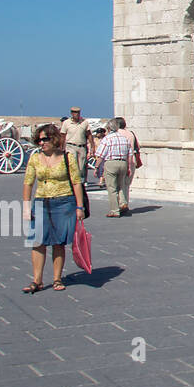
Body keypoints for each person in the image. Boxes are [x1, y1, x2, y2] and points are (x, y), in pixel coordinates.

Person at [21, 122, 86, 293]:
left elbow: (76, 182)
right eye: (39, 140)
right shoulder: (35, 158)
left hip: (64, 203)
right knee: (37, 242)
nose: (41, 143)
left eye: (45, 139)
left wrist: (80, 207)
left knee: (58, 242)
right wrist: (26, 207)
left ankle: (57, 279)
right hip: (41, 203)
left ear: (54, 139)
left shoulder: (67, 157)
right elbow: (28, 183)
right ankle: (37, 281)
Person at [94, 119, 132, 217]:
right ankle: (123, 203)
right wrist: (129, 167)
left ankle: (114, 210)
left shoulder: (107, 139)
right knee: (121, 185)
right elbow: (130, 153)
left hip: (111, 163)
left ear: (109, 128)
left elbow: (101, 154)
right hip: (123, 162)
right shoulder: (124, 138)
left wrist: (97, 166)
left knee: (112, 187)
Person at [61, 108, 95, 188]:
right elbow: (62, 135)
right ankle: (72, 184)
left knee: (82, 167)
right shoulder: (66, 123)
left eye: (78, 112)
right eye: (74, 112)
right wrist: (61, 147)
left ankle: (81, 183)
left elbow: (89, 135)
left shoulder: (84, 122)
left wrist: (92, 146)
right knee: (73, 165)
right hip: (70, 146)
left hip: (82, 146)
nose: (76, 114)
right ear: (71, 113)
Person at [115, 116, 141, 213]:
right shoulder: (131, 133)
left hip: (122, 159)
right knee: (127, 184)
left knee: (119, 183)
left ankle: (122, 204)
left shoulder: (116, 134)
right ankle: (125, 203)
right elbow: (137, 147)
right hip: (132, 160)